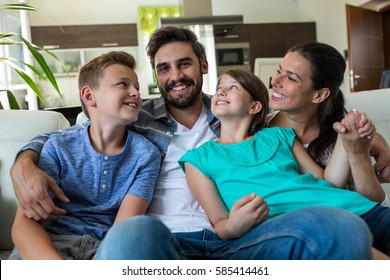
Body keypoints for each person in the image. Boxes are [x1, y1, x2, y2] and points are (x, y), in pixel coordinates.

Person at [11, 26, 374, 260]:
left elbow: (305, 116)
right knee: (136, 233)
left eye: (184, 65)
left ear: (202, 65)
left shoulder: (235, 112)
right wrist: (24, 161)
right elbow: (76, 130)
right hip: (158, 242)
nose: (175, 77)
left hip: (234, 239)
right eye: (163, 69)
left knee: (338, 228)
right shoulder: (138, 117)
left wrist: (372, 141)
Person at [178, 69, 390, 256]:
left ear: (254, 107)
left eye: (232, 87)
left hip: (350, 207)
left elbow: (325, 180)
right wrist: (234, 226)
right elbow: (221, 225)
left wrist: (346, 138)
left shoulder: (279, 136)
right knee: (336, 235)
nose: (220, 92)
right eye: (218, 88)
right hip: (292, 226)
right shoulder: (198, 159)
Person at [8, 51, 161, 259]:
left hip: (105, 249)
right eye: (123, 84)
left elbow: (124, 232)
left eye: (137, 87)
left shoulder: (146, 155)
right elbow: (25, 226)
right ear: (89, 96)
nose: (135, 92)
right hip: (49, 245)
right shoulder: (59, 147)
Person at [267, 41, 390, 206]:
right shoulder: (258, 129)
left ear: (319, 95)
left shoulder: (342, 136)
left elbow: (377, 207)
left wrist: (360, 153)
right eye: (278, 71)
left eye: (291, 78)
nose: (274, 81)